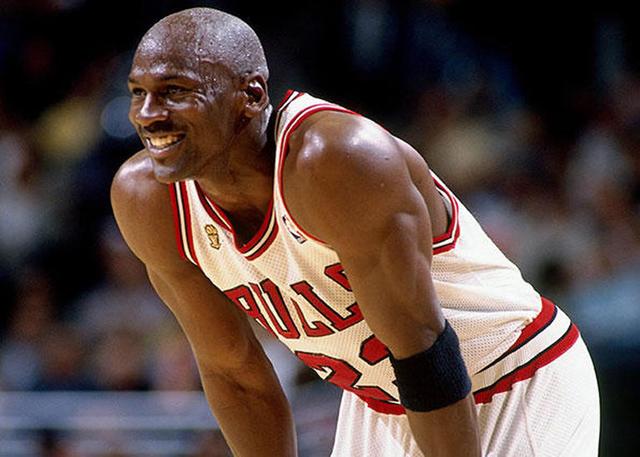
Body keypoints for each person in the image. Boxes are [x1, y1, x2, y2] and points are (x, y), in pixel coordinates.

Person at [111, 7, 600, 457]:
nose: (148, 114)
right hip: (387, 402)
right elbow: (235, 374)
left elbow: (423, 350)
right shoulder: (146, 199)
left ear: (252, 96)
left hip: (514, 377)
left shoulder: (336, 161)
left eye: (175, 92)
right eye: (138, 93)